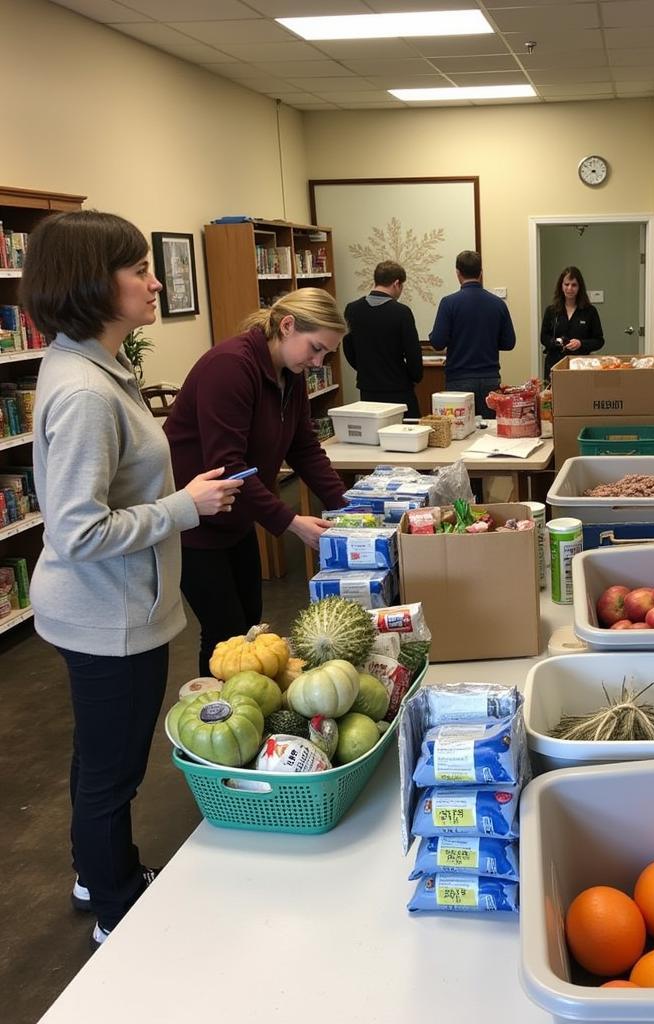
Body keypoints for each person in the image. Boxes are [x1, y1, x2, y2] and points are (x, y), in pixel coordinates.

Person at [21, 210, 242, 947]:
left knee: (100, 755)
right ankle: (116, 905)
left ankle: (95, 872)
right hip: (106, 611)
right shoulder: (86, 390)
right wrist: (184, 507)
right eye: (138, 269)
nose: (155, 282)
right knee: (112, 769)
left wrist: (178, 497)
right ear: (92, 282)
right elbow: (77, 530)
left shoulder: (98, 367)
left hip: (113, 605)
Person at [163, 288, 350, 676]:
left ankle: (246, 714)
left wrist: (348, 506)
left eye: (326, 355)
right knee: (225, 636)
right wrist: (292, 523)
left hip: (236, 518)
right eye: (315, 348)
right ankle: (218, 720)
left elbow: (304, 448)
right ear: (287, 326)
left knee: (249, 629)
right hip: (195, 525)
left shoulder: (290, 375)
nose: (318, 361)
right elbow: (229, 467)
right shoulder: (230, 367)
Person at [429, 249, 516, 418]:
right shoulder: (497, 304)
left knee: (459, 434)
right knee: (489, 433)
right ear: (481, 273)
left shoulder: (449, 303)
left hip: (458, 380)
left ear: (458, 273)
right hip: (490, 379)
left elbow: (438, 342)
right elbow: (509, 343)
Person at [343, 260, 423, 416]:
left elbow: (348, 347)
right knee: (406, 433)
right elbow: (413, 352)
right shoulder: (401, 312)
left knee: (374, 435)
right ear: (396, 283)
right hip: (398, 389)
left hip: (368, 389)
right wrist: (415, 377)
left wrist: (365, 370)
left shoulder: (352, 309)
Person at [539, 265, 605, 380]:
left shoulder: (590, 311)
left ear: (580, 287)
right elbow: (544, 337)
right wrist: (556, 342)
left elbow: (599, 341)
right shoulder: (551, 310)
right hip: (555, 365)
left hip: (581, 366)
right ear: (561, 286)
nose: (569, 288)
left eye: (574, 285)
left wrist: (581, 343)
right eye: (566, 284)